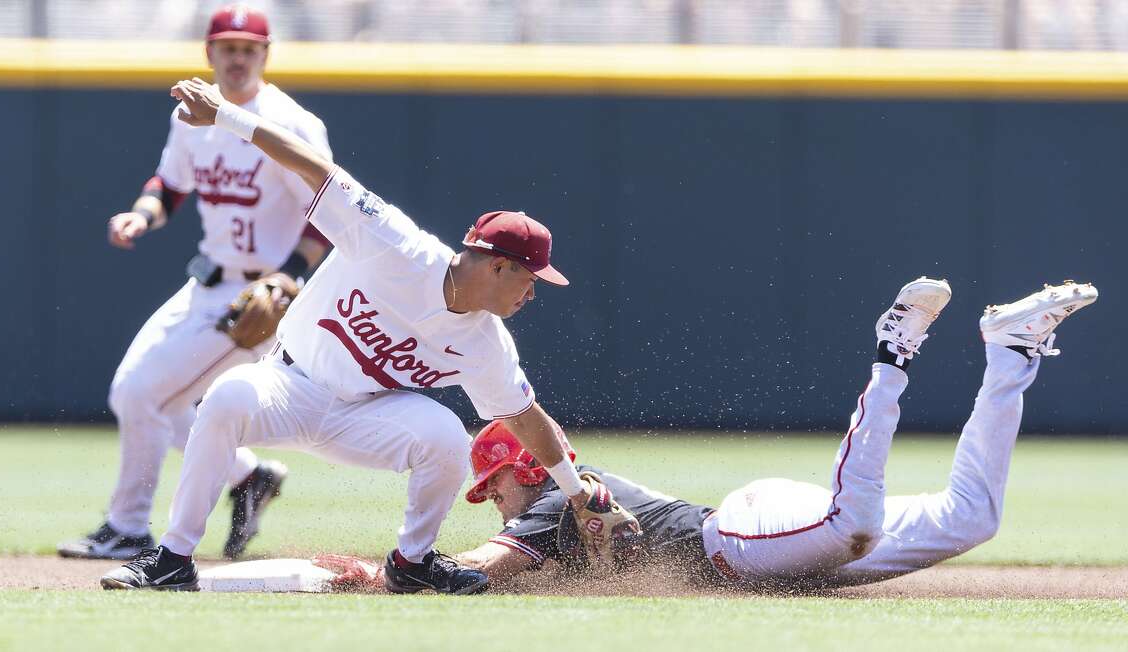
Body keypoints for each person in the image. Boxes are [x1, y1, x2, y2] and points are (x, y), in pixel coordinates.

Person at [99, 74, 608, 595]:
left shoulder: (486, 341)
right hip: (290, 386)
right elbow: (311, 164)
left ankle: (411, 562)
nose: (532, 293)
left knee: (446, 437)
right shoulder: (395, 244)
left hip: (365, 415)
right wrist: (225, 117)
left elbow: (526, 418)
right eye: (529, 278)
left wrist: (575, 492)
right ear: (499, 267)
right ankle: (172, 557)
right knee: (227, 394)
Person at [315, 279, 1099, 593]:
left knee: (854, 523)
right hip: (765, 544)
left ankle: (893, 352)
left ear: (520, 469)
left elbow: (482, 568)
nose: (493, 502)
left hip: (743, 541)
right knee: (974, 517)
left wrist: (388, 574)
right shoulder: (555, 507)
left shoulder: (552, 505)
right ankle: (1011, 351)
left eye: (494, 487)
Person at [59, 4, 333, 562]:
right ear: (209, 53)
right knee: (152, 400)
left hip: (260, 297)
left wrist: (289, 278)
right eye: (227, 48)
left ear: (265, 55)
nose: (237, 58)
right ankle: (249, 475)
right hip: (207, 280)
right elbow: (171, 185)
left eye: (248, 49)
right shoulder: (191, 114)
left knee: (142, 395)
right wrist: (142, 213)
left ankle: (129, 526)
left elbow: (328, 214)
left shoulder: (291, 123)